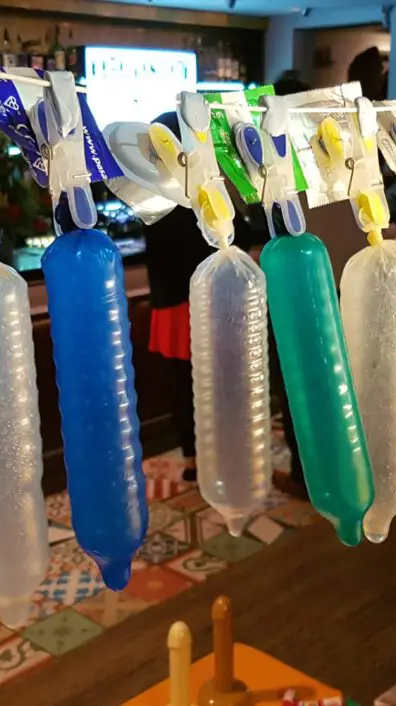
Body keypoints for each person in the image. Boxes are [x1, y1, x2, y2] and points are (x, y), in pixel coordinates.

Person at [143, 111, 266, 483]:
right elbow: (240, 236)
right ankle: (222, 452)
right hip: (203, 302)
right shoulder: (201, 194)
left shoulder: (153, 195)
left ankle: (195, 458)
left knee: (184, 383)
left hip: (171, 300)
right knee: (220, 380)